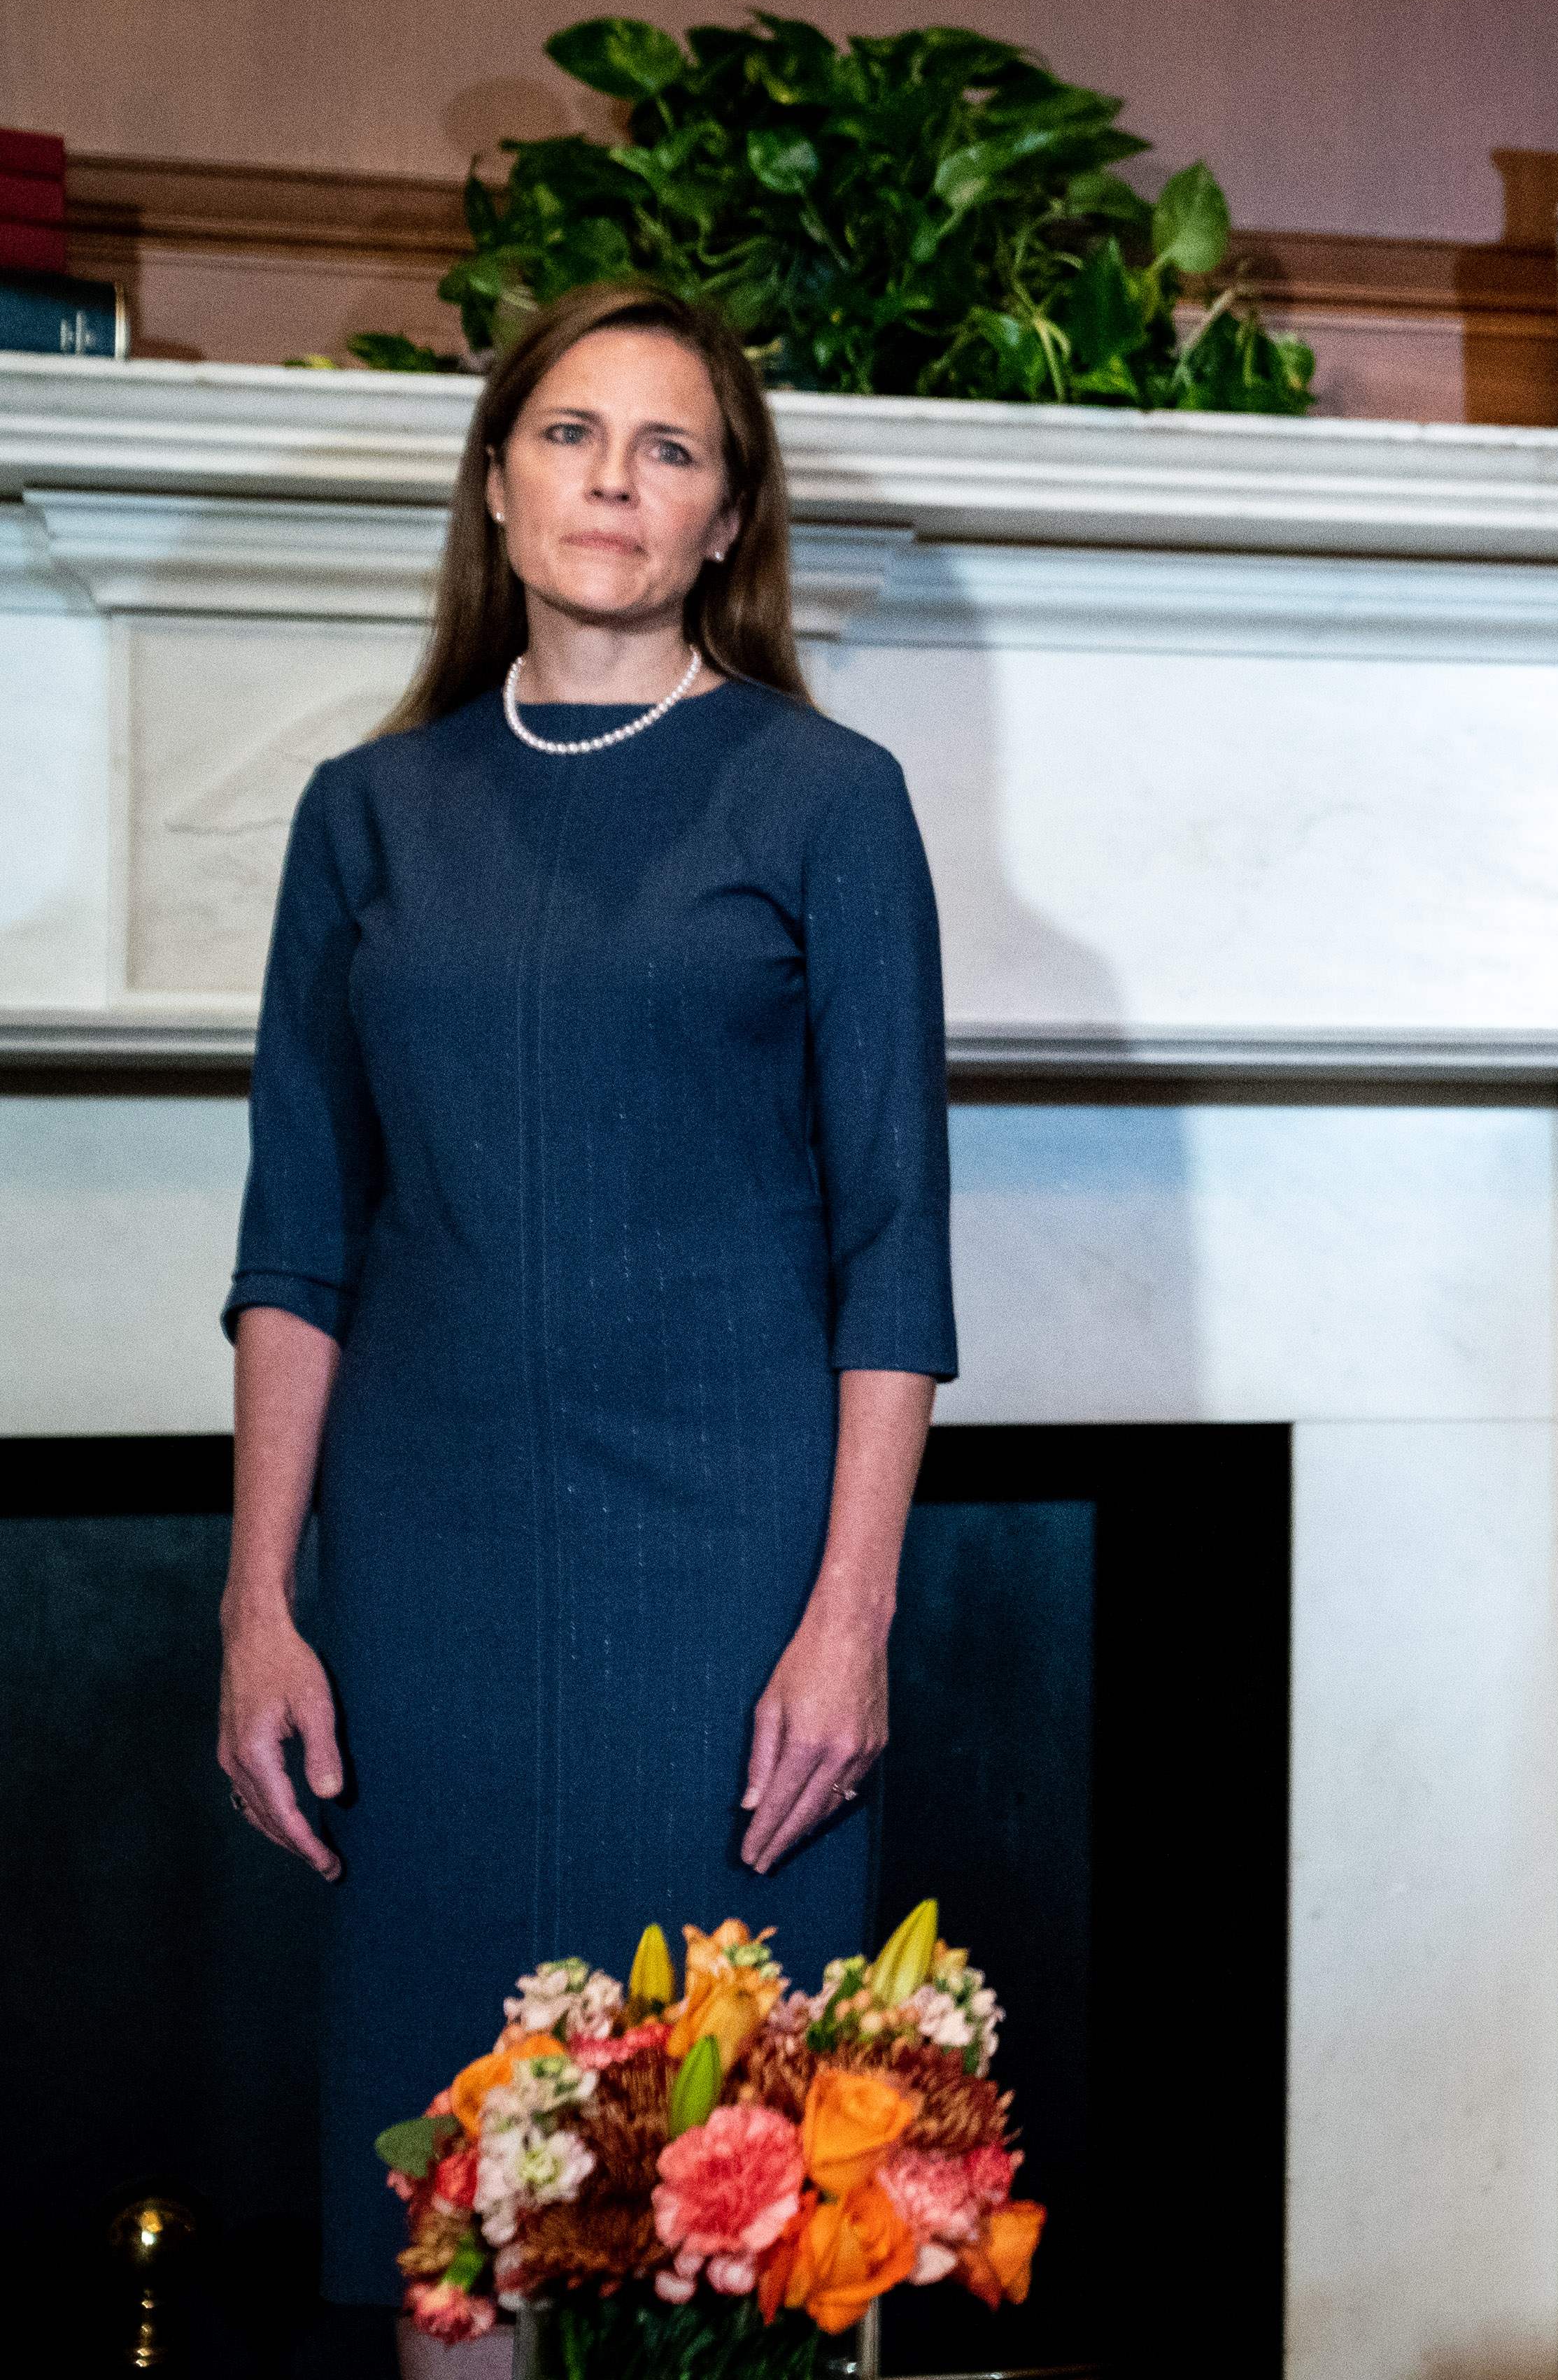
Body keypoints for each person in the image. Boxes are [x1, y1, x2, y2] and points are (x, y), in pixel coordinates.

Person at [211, 280, 956, 2372]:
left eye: (671, 447)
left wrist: (851, 1619)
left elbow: (897, 1247)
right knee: (454, 2216)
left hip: (733, 1578)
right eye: (568, 434)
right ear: (493, 482)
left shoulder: (826, 799)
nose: (612, 479)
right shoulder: (365, 816)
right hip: (423, 1582)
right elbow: (297, 1241)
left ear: (728, 521)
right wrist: (260, 1603)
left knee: (745, 2209)